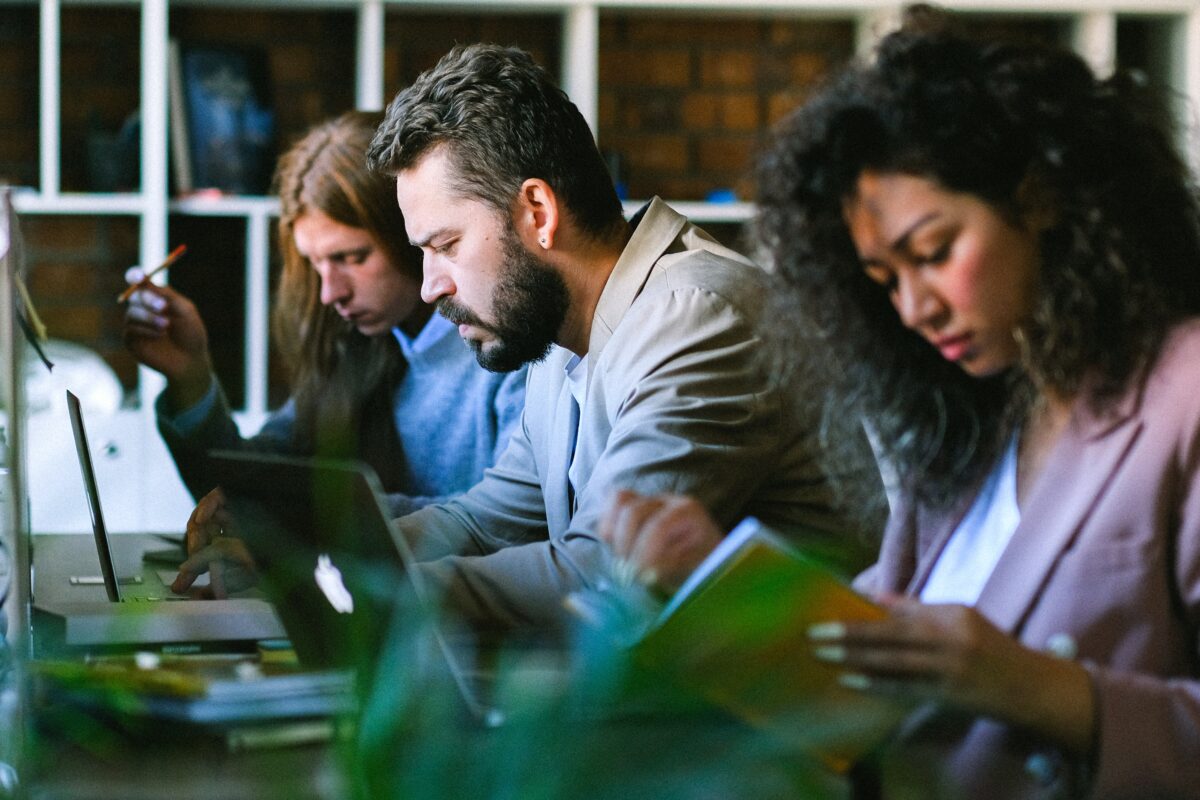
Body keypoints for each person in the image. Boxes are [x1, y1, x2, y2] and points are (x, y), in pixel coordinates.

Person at [600, 8, 1200, 798]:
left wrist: (1041, 687)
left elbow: (984, 676)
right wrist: (714, 588)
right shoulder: (968, 417)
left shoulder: (1184, 391)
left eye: (934, 253)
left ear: (1045, 197)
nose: (914, 309)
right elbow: (868, 679)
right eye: (884, 280)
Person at [363, 43, 875, 632]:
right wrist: (318, 553)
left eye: (445, 246)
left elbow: (604, 572)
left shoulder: (695, 318)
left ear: (537, 211)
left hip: (793, 711)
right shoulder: (558, 339)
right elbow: (485, 523)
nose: (429, 287)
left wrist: (369, 588)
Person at [123, 110, 526, 594]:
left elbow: (506, 524)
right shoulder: (355, 349)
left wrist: (307, 517)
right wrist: (191, 380)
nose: (329, 293)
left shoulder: (507, 351)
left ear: (415, 234)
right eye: (316, 265)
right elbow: (245, 489)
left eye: (352, 258)